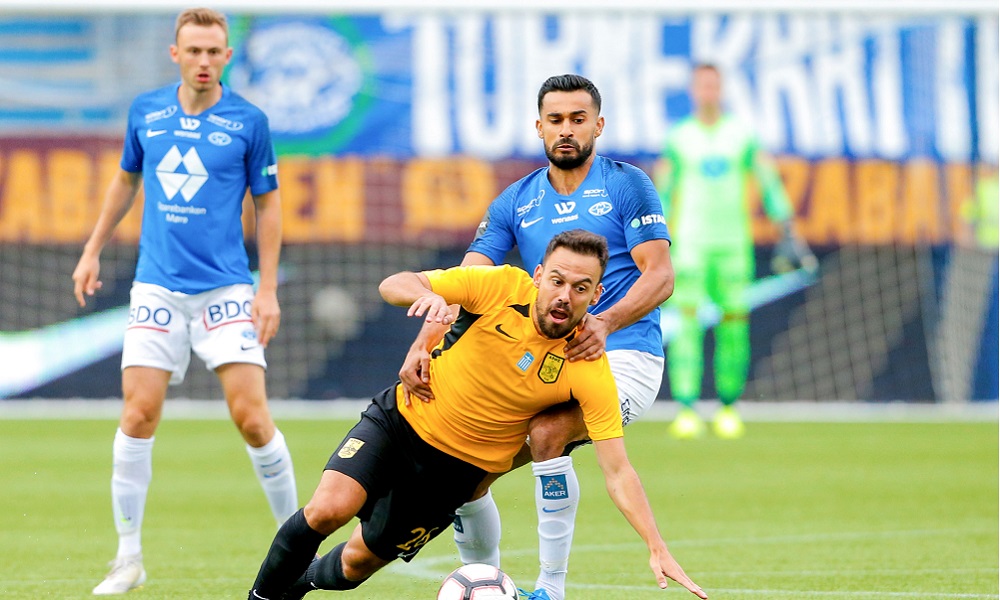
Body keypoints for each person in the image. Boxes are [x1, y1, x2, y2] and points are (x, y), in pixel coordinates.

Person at [247, 230, 707, 600]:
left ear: (597, 294)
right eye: (557, 281)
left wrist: (656, 545)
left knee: (354, 565)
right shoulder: (500, 286)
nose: (565, 295)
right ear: (539, 275)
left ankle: (300, 583)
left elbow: (618, 471)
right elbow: (394, 283)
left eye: (580, 288)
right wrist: (425, 296)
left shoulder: (588, 367)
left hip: (453, 476)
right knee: (328, 509)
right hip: (401, 420)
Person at [397, 73, 674, 600]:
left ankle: (551, 589)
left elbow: (659, 275)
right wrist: (422, 345)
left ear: (598, 125)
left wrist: (605, 323)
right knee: (465, 471)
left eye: (577, 119)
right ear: (539, 127)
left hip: (625, 355)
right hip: (546, 360)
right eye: (556, 120)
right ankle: (486, 585)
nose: (566, 129)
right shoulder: (516, 201)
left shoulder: (626, 184)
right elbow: (462, 284)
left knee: (548, 432)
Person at [71, 8, 298, 595]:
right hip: (156, 287)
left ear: (227, 57)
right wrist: (92, 250)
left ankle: (296, 548)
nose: (203, 61)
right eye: (193, 50)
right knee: (137, 414)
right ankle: (128, 559)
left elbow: (268, 203)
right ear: (175, 54)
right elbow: (126, 179)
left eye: (213, 51)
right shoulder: (146, 111)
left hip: (226, 289)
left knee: (253, 419)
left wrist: (266, 288)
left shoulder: (248, 122)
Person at [654, 63, 816, 440]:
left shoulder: (742, 135)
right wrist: (654, 235)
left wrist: (785, 224)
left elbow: (767, 179)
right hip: (691, 245)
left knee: (733, 327)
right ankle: (687, 408)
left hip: (732, 245)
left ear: (721, 89)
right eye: (702, 86)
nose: (708, 92)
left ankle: (728, 406)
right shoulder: (679, 138)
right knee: (688, 325)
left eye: (713, 85)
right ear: (693, 90)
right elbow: (663, 190)